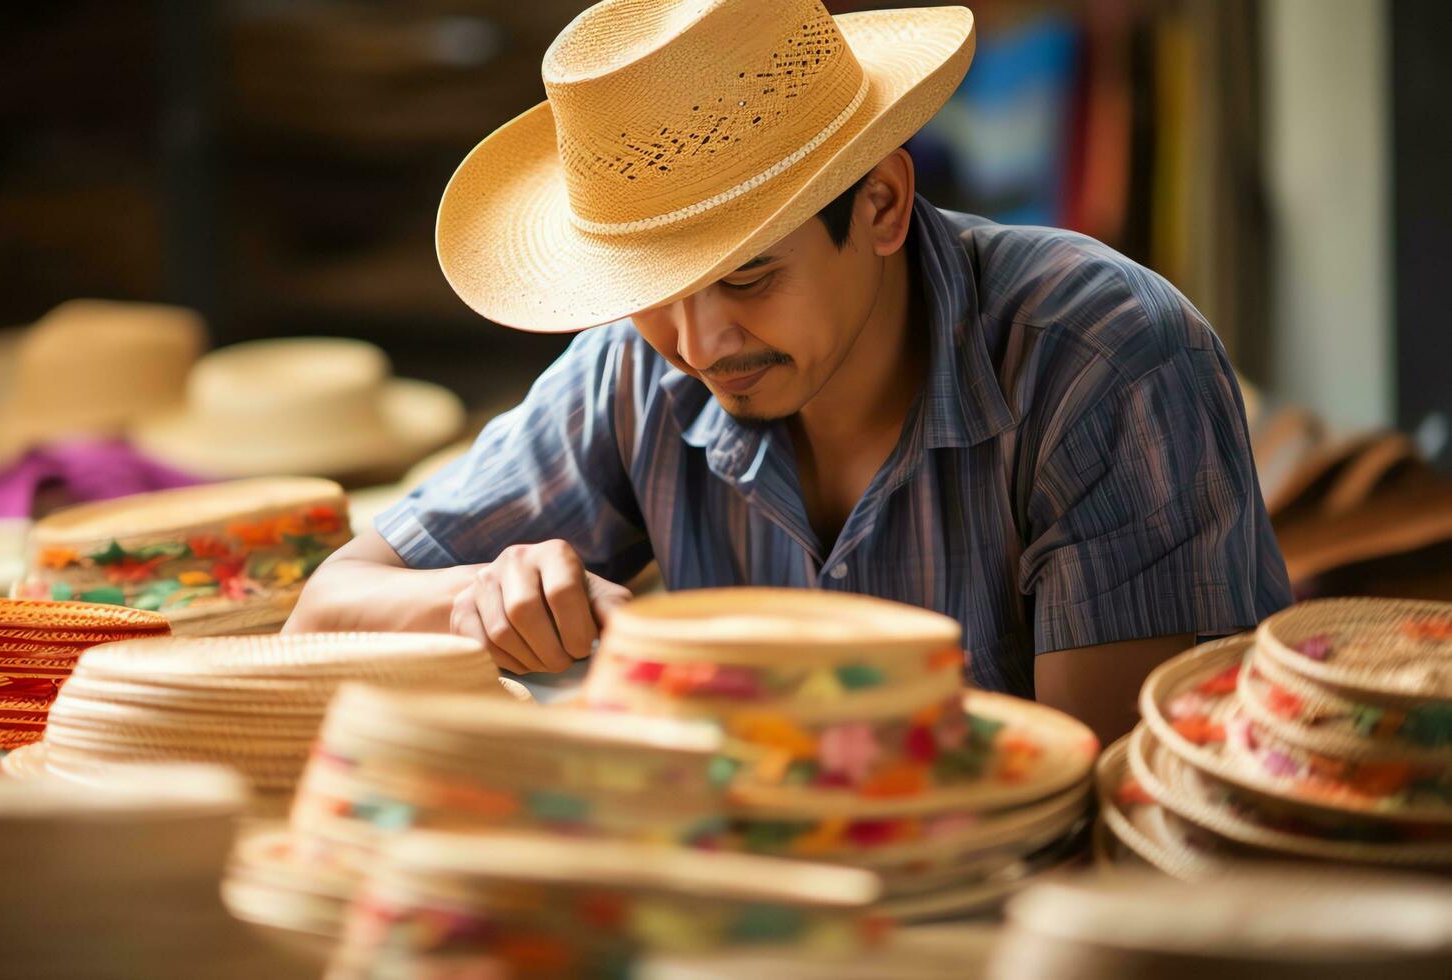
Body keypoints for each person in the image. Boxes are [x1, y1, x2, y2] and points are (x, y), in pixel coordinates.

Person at [287, 0, 1290, 742]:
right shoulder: (632, 373)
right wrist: (481, 599)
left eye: (747, 275)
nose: (700, 341)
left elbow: (1108, 798)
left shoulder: (1097, 359)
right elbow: (322, 611)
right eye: (654, 288)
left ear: (884, 206)